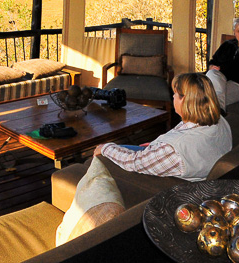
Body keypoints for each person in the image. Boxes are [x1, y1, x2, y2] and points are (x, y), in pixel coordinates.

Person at [93, 73, 231, 182]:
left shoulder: (174, 149)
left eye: (176, 94)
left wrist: (105, 148)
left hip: (163, 184)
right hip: (188, 163)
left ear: (185, 100)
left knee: (98, 157)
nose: (173, 96)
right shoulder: (219, 120)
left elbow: (134, 163)